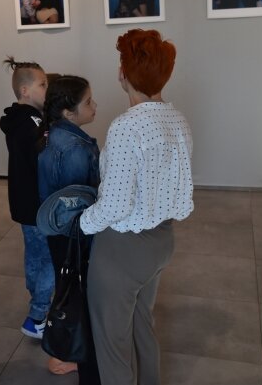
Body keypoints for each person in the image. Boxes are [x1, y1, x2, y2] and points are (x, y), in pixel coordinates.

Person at [80, 28, 193, 385]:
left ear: (123, 72)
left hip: (123, 250)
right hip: (162, 242)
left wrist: (81, 222)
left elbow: (114, 204)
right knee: (143, 326)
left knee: (113, 345)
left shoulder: (127, 126)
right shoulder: (177, 119)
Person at [37, 75, 101, 382]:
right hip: (73, 237)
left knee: (67, 290)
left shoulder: (54, 135)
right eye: (88, 101)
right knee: (75, 295)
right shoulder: (74, 148)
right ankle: (68, 355)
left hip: (58, 235)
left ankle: (66, 353)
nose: (95, 106)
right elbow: (78, 207)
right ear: (68, 112)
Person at [0, 57, 53, 341]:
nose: (48, 89)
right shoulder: (30, 122)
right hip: (37, 202)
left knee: (35, 254)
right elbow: (42, 156)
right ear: (25, 91)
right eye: (43, 84)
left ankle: (37, 301)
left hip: (25, 202)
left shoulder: (19, 118)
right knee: (48, 259)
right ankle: (38, 316)